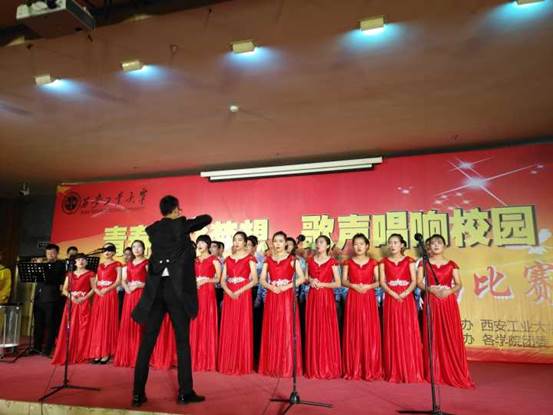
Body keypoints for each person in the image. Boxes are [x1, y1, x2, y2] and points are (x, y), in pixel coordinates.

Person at [132, 195, 212, 407]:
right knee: (182, 343)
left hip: (155, 291)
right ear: (176, 210)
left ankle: (137, 394)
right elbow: (207, 218)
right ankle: (185, 392)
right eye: (179, 209)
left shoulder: (153, 230)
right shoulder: (182, 225)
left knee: (147, 343)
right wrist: (184, 220)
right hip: (177, 292)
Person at [417, 234, 474, 389]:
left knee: (449, 334)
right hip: (432, 300)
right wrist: (431, 289)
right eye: (433, 243)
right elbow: (419, 282)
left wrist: (448, 291)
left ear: (444, 246)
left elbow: (459, 284)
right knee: (433, 334)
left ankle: (452, 369)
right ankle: (434, 371)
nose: (436, 245)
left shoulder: (451, 264)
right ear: (428, 246)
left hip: (448, 302)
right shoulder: (424, 263)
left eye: (439, 243)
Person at [258, 231, 305, 377]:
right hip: (272, 295)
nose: (277, 244)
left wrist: (286, 287)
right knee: (273, 327)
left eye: (280, 241)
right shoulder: (268, 260)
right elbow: (262, 279)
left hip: (286, 296)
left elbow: (302, 278)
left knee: (286, 327)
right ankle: (272, 364)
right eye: (275, 241)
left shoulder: (292, 259)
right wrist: (270, 287)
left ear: (285, 243)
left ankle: (286, 365)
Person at [380, 234, 423, 383]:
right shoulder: (383, 262)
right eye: (390, 243)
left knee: (407, 330)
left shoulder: (409, 261)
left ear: (402, 245)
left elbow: (414, 281)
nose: (392, 245)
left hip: (406, 298)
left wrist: (404, 293)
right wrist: (392, 293)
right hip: (391, 298)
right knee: (392, 330)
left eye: (395, 242)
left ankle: (410, 368)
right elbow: (382, 282)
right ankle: (394, 369)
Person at [341, 234, 382, 381]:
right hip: (353, 296)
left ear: (367, 246)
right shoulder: (348, 262)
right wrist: (353, 285)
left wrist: (367, 287)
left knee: (368, 328)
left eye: (361, 244)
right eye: (356, 244)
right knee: (354, 328)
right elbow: (344, 281)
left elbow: (379, 281)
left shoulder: (373, 263)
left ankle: (369, 367)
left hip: (368, 296)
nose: (358, 247)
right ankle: (354, 367)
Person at [217, 231, 258, 375]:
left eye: (240, 240)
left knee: (242, 324)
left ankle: (241, 362)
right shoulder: (228, 259)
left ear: (245, 242)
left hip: (243, 294)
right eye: (235, 240)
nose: (237, 242)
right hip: (230, 294)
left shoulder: (250, 258)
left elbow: (255, 280)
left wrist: (239, 291)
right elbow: (222, 280)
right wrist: (228, 291)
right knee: (230, 325)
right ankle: (227, 361)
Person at [305, 235, 342, 379]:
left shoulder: (332, 262)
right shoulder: (310, 261)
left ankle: (327, 365)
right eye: (317, 242)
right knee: (314, 328)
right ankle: (314, 366)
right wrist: (311, 280)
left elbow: (338, 283)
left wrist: (322, 284)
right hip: (313, 297)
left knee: (326, 328)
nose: (318, 244)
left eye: (321, 242)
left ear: (327, 246)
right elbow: (306, 278)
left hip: (326, 297)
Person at [51, 253, 94, 364]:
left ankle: (81, 353)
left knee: (83, 328)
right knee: (69, 327)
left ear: (87, 262)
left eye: (83, 260)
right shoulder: (70, 274)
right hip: (71, 303)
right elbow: (64, 290)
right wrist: (72, 297)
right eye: (79, 260)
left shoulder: (90, 274)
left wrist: (84, 297)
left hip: (84, 303)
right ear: (75, 262)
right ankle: (68, 352)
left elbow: (94, 289)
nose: (81, 261)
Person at [190, 234, 221, 371]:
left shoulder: (214, 260)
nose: (199, 245)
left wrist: (206, 280)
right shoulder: (194, 260)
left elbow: (218, 279)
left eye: (202, 242)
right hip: (195, 292)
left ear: (208, 245)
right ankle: (194, 358)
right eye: (198, 242)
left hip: (207, 293)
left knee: (206, 322)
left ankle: (207, 359)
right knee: (195, 322)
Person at [114, 241, 148, 367]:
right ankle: (127, 355)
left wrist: (140, 285)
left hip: (142, 295)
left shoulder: (147, 263)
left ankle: (140, 356)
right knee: (129, 323)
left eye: (139, 247)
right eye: (134, 247)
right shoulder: (128, 264)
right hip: (130, 295)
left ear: (144, 249)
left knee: (141, 324)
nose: (136, 249)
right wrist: (127, 288)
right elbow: (123, 280)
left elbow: (152, 281)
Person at [88, 242, 122, 364]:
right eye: (105, 250)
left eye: (110, 250)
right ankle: (97, 351)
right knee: (98, 323)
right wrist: (97, 290)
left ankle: (106, 352)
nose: (107, 252)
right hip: (99, 295)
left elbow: (118, 281)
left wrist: (107, 289)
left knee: (107, 321)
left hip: (110, 294)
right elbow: (95, 281)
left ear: (114, 252)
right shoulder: (99, 265)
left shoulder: (117, 264)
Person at [33, 244, 66, 356]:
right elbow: (35, 277)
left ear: (57, 253)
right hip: (39, 297)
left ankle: (47, 349)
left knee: (50, 324)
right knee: (38, 324)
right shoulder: (44, 264)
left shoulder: (60, 264)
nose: (50, 255)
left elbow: (52, 277)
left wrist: (41, 266)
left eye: (52, 253)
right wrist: (37, 267)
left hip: (51, 298)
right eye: (48, 253)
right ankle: (36, 347)